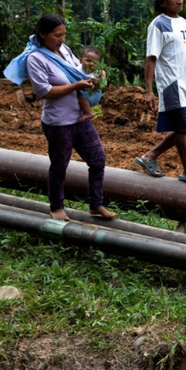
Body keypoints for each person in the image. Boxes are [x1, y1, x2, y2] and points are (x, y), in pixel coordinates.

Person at [25, 13, 116, 221]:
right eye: (57, 35)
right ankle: (56, 206)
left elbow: (78, 71)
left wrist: (92, 77)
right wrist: (76, 85)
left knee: (98, 158)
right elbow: (45, 91)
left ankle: (96, 204)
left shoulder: (64, 50)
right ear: (42, 34)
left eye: (64, 34)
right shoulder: (36, 59)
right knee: (59, 165)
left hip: (79, 118)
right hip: (58, 123)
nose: (62, 39)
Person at [134, 0, 186, 187]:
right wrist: (149, 91)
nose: (180, 0)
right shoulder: (158, 25)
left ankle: (150, 156)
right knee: (180, 127)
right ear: (162, 1)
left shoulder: (183, 23)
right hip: (172, 85)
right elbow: (151, 59)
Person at [76, 47, 105, 122]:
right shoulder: (76, 70)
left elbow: (102, 85)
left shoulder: (99, 73)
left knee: (79, 92)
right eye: (88, 61)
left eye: (95, 62)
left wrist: (97, 82)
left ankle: (87, 113)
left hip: (94, 95)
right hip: (81, 98)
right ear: (81, 60)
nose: (91, 64)